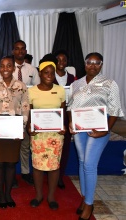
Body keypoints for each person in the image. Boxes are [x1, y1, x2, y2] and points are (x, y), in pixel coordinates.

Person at [67, 52, 124, 220]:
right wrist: (71, 122)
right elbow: (71, 106)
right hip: (80, 128)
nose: (93, 65)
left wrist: (106, 130)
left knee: (90, 164)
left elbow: (115, 109)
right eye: (89, 62)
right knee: (83, 162)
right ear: (84, 64)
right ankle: (84, 199)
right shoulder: (76, 84)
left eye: (97, 62)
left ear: (101, 65)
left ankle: (90, 204)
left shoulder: (109, 83)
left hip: (100, 127)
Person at [0, 56, 29, 208]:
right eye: (2, 66)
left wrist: (21, 129)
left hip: (14, 131)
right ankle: (1, 195)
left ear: (13, 68)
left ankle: (8, 194)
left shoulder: (21, 86)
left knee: (10, 164)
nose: (5, 69)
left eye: (9, 65)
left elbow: (25, 109)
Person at [28, 54, 65, 210]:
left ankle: (51, 196)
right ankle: (38, 195)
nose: (49, 76)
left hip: (55, 135)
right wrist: (29, 127)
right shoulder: (32, 92)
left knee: (54, 166)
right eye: (46, 73)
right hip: (38, 135)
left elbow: (63, 111)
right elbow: (29, 113)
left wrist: (63, 126)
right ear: (40, 73)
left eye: (52, 73)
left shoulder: (61, 90)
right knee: (37, 165)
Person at [0, 40, 40, 186]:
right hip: (7, 115)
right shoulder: (6, 68)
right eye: (17, 49)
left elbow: (36, 91)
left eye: (23, 49)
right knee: (10, 146)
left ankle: (24, 172)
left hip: (25, 112)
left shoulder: (32, 70)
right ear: (13, 51)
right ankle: (11, 175)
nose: (20, 51)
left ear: (26, 50)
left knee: (24, 145)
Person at [53, 49, 75, 189]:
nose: (61, 62)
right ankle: (49, 174)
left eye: (64, 60)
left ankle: (60, 176)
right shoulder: (48, 75)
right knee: (52, 146)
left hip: (67, 116)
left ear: (67, 62)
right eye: (58, 60)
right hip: (51, 115)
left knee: (65, 147)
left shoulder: (73, 78)